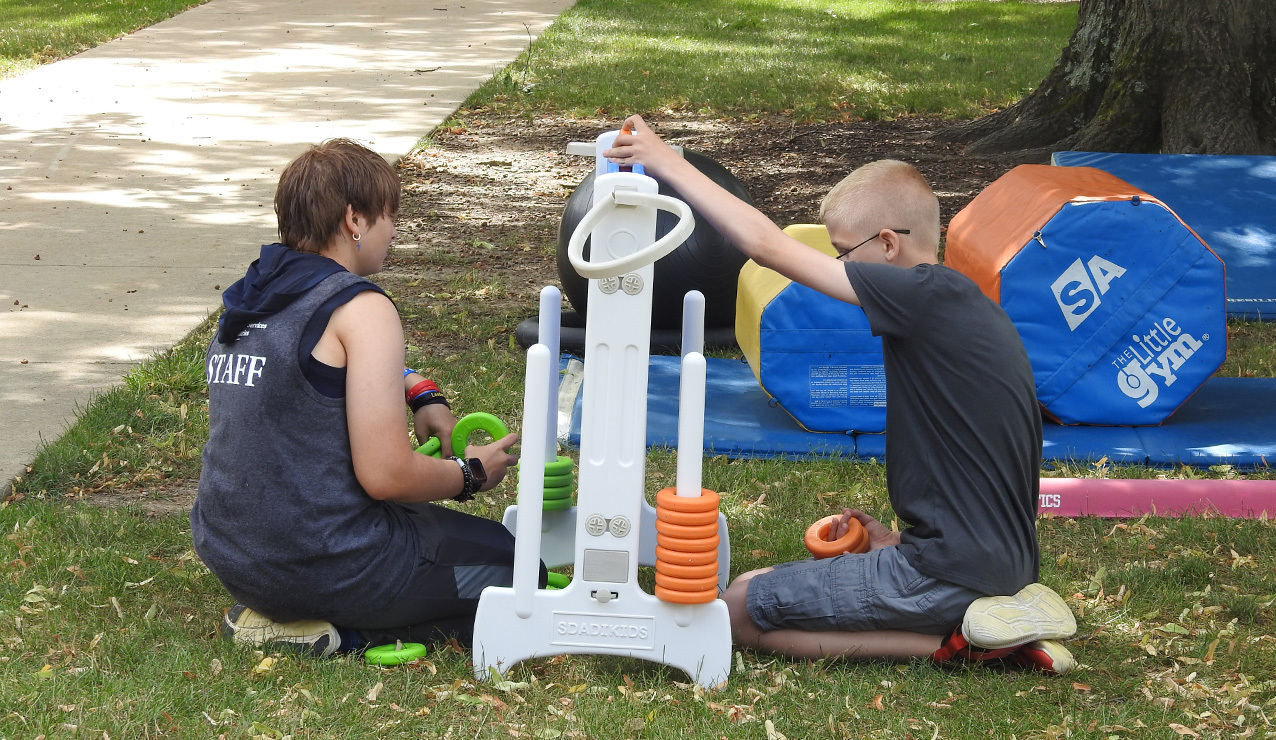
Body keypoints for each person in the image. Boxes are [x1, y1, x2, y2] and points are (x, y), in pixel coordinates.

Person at [605, 116, 1077, 673]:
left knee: (734, 609)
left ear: (888, 244)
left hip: (950, 575)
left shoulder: (921, 293)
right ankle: (982, 618)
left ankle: (976, 646)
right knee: (757, 583)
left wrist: (666, 161)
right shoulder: (959, 306)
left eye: (844, 252)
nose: (840, 267)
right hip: (990, 564)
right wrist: (896, 541)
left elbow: (766, 246)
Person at [191, 138, 536, 656]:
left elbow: (314, 363)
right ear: (354, 219)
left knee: (452, 542)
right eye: (389, 216)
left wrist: (420, 391)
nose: (393, 231)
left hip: (235, 556)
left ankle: (277, 609)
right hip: (326, 562)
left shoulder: (252, 297)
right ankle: (341, 636)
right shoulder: (362, 307)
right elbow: (387, 476)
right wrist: (471, 474)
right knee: (520, 573)